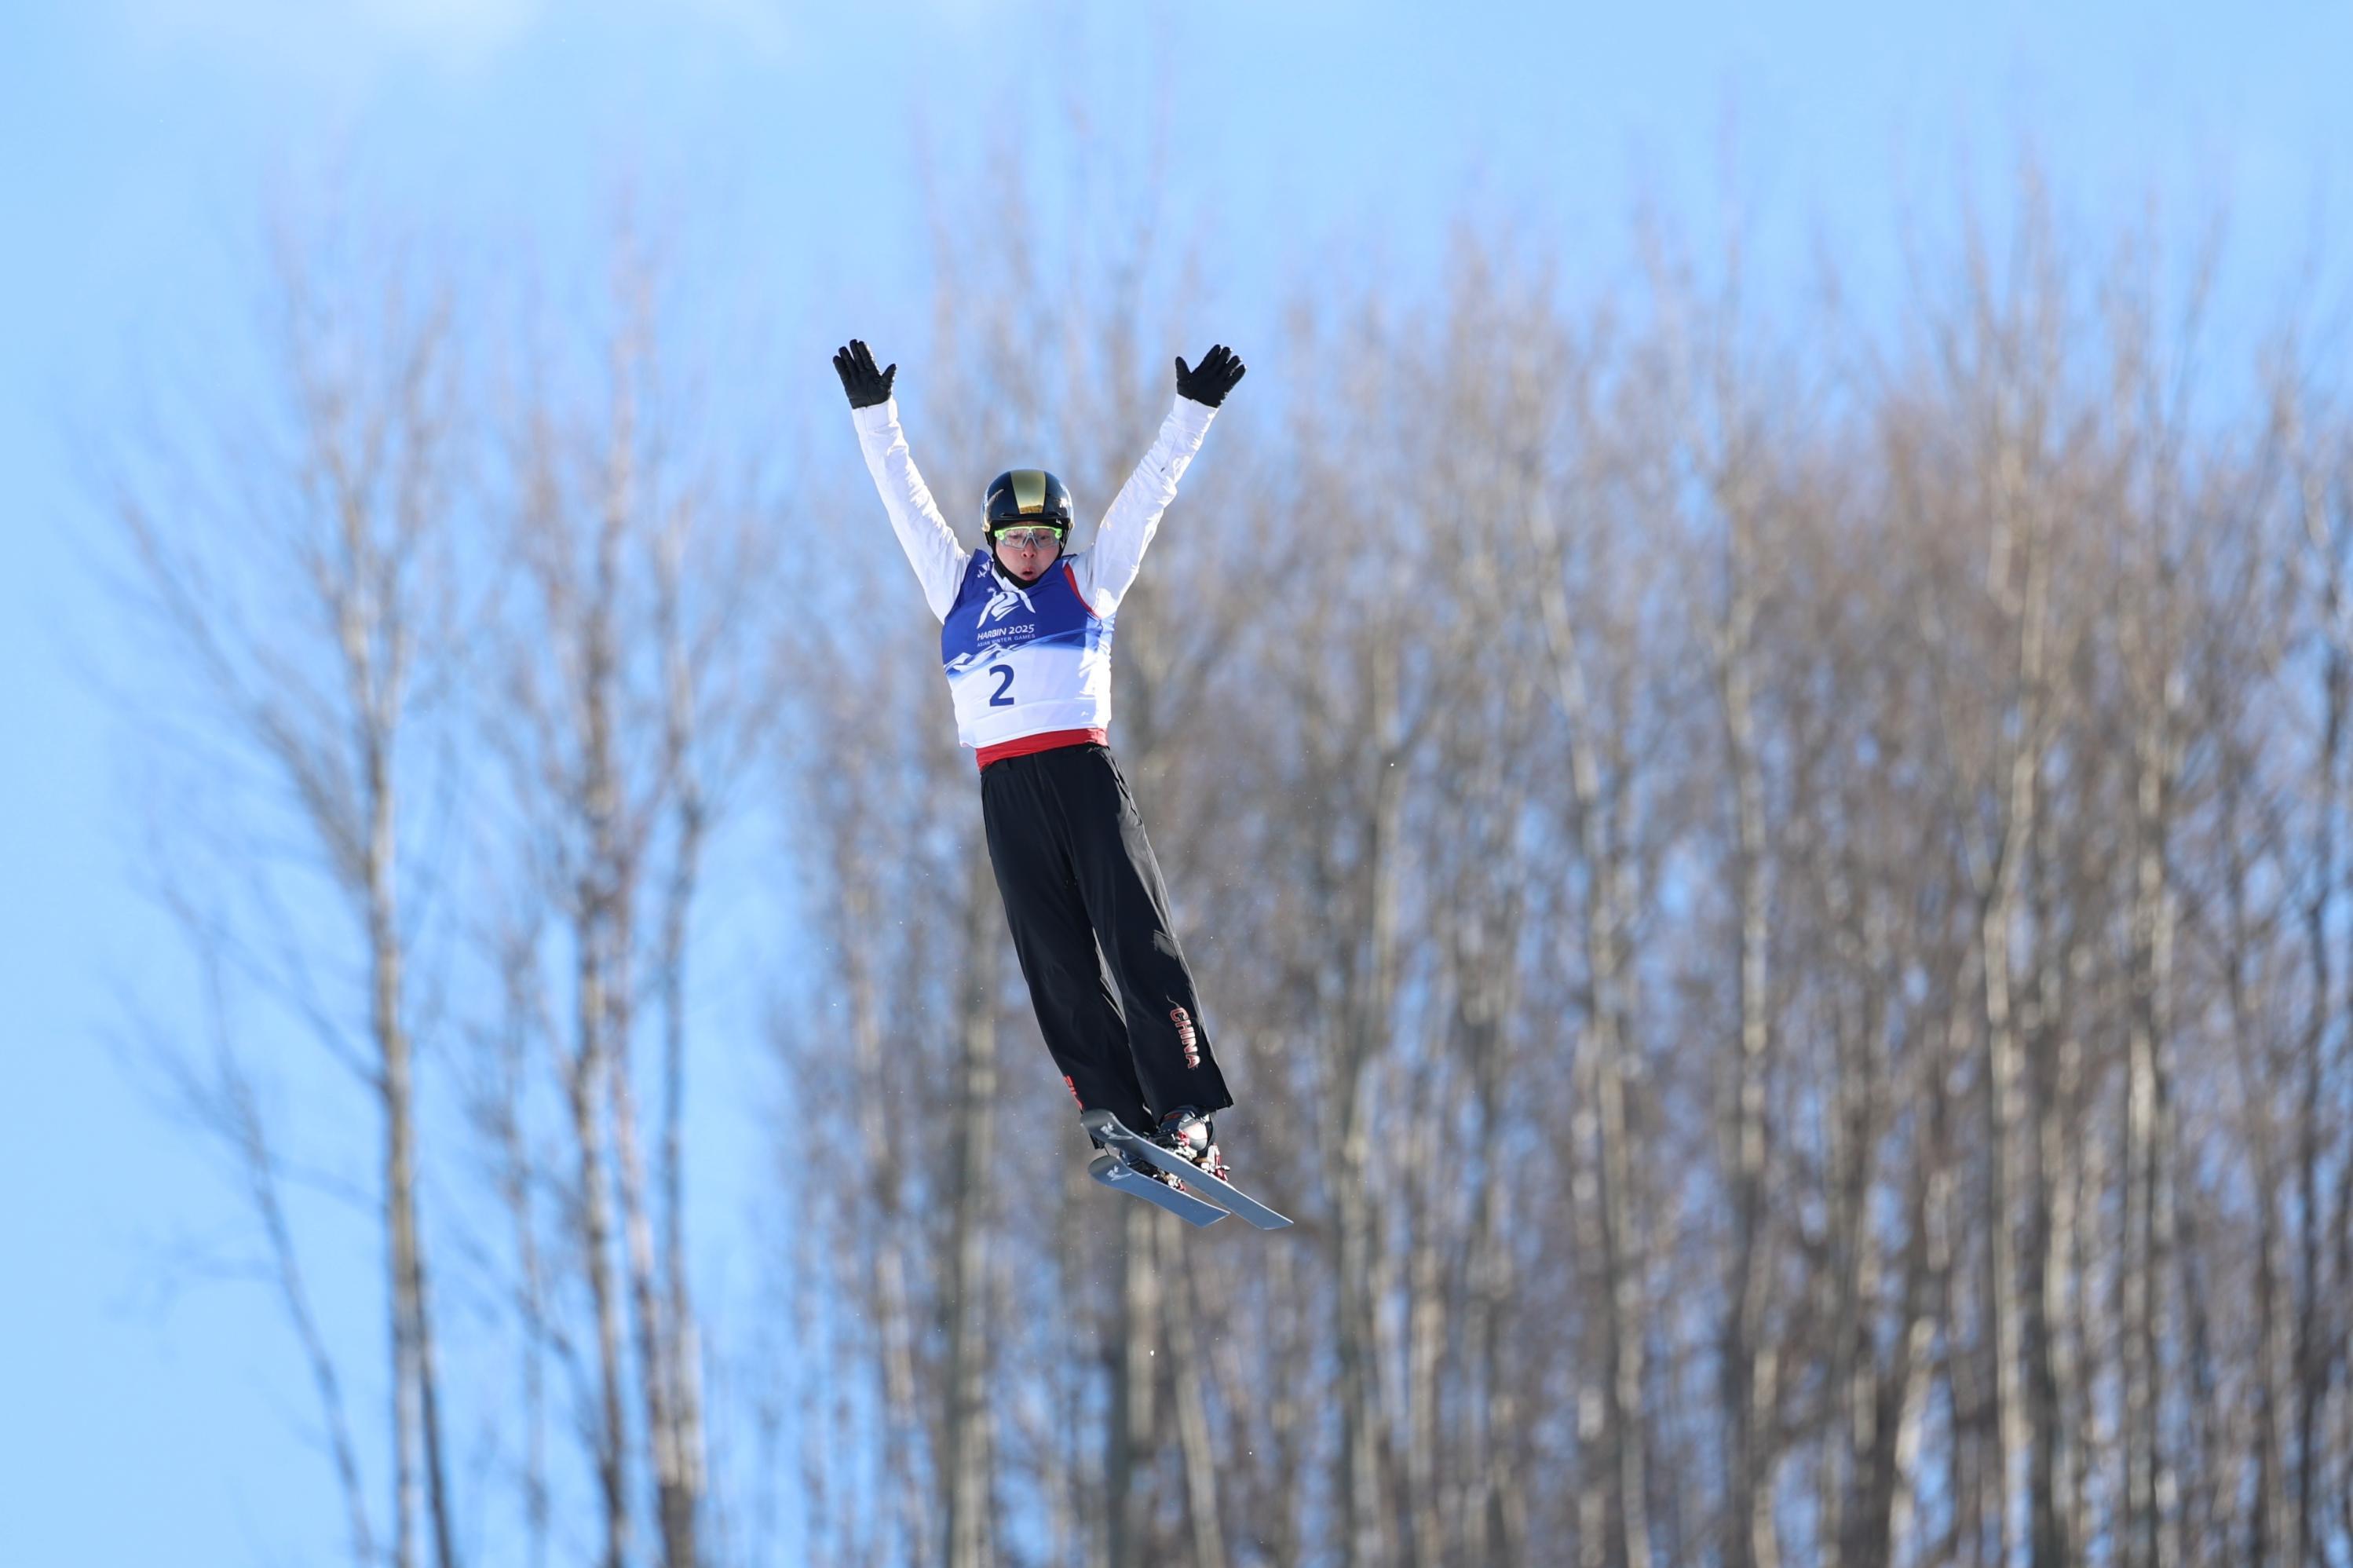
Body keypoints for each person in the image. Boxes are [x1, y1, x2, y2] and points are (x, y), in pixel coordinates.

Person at [832, 337, 1245, 1186]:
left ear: (1062, 538)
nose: (1031, 551)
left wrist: (1190, 412)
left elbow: (1147, 498)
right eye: (1017, 538)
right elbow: (904, 503)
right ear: (992, 539)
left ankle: (1183, 1110)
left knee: (1134, 939)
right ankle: (1116, 1111)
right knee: (1053, 959)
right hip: (1006, 789)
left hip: (1082, 778)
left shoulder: (1089, 583)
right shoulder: (957, 588)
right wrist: (875, 417)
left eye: (1045, 536)